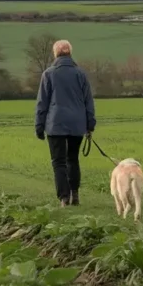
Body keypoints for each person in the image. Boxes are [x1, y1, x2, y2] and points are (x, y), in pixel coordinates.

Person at [35, 40, 96, 207]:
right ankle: (75, 194)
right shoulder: (81, 74)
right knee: (73, 159)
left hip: (55, 124)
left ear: (55, 54)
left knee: (58, 161)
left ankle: (64, 197)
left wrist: (39, 126)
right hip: (77, 124)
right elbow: (88, 101)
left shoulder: (49, 74)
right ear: (70, 53)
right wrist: (90, 124)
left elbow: (42, 102)